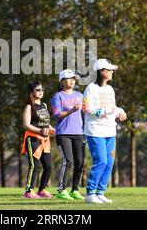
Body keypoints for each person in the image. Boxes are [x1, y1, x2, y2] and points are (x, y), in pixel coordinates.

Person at [82, 59, 127, 204]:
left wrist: (120, 112)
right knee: (101, 161)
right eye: (110, 70)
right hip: (95, 131)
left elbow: (113, 107)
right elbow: (86, 109)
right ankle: (90, 193)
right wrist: (105, 111)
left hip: (110, 131)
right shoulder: (90, 88)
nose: (112, 72)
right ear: (102, 71)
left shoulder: (110, 89)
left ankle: (100, 192)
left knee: (109, 163)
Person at [51, 69, 85, 201]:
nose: (72, 80)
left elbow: (84, 113)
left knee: (80, 163)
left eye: (73, 78)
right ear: (62, 82)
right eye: (68, 78)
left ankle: (75, 190)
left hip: (79, 133)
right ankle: (61, 190)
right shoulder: (57, 97)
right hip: (63, 134)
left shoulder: (80, 95)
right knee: (68, 161)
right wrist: (71, 110)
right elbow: (57, 115)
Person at [21, 81, 55, 199]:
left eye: (42, 90)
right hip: (33, 139)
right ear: (32, 92)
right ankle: (29, 191)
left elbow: (46, 123)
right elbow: (26, 125)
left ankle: (42, 190)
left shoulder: (44, 105)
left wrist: (54, 131)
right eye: (38, 90)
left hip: (45, 141)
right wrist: (40, 131)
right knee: (35, 165)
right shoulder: (29, 106)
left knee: (49, 166)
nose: (41, 92)